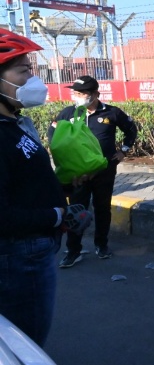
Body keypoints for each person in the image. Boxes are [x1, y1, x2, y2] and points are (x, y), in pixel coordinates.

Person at [0, 28, 92, 346]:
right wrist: (55, 215)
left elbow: (23, 182)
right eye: (23, 70)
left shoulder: (15, 124)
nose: (33, 79)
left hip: (33, 249)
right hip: (19, 254)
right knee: (26, 343)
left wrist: (64, 187)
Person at [47, 75, 138, 268]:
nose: (77, 97)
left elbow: (131, 129)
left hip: (104, 171)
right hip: (78, 175)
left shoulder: (112, 113)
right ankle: (73, 251)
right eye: (76, 93)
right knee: (76, 210)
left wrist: (123, 151)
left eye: (82, 93)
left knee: (102, 208)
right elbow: (53, 133)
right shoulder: (67, 113)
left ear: (96, 94)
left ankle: (101, 245)